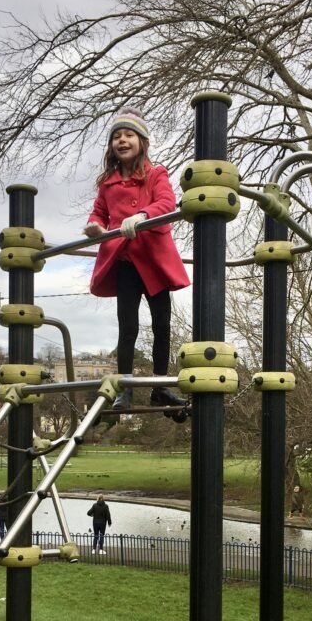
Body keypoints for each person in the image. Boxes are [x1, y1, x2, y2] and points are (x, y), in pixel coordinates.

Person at [84, 107, 190, 413]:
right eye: (116, 136)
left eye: (128, 134)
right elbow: (99, 213)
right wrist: (95, 226)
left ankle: (160, 386)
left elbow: (166, 203)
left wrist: (143, 215)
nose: (122, 140)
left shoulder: (156, 173)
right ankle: (125, 388)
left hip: (153, 260)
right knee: (127, 326)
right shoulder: (108, 182)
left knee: (161, 324)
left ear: (142, 141)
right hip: (126, 261)